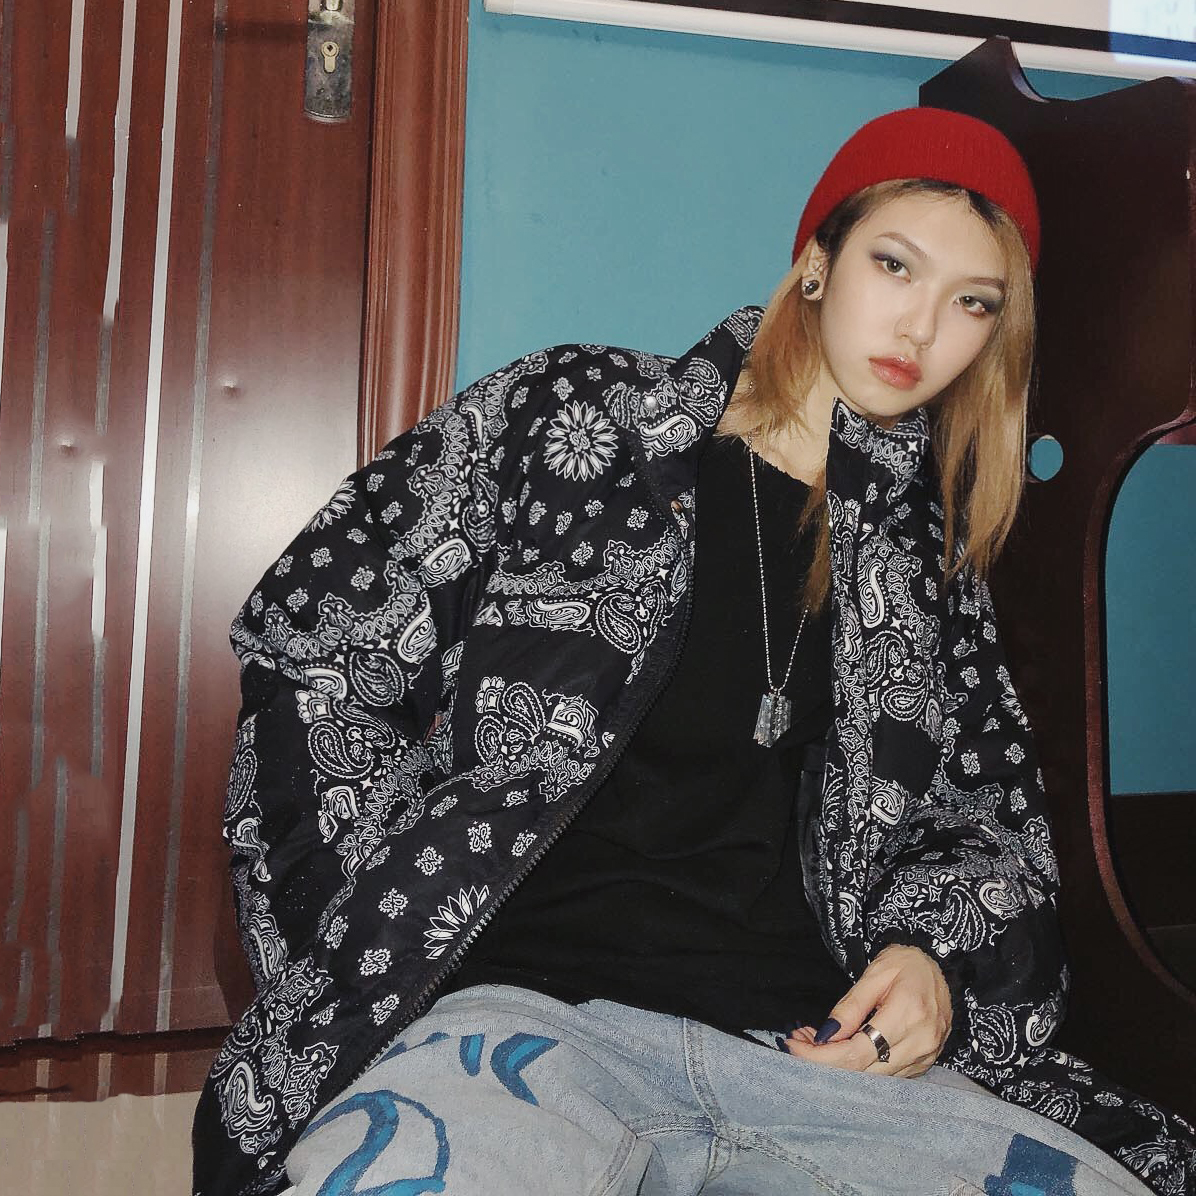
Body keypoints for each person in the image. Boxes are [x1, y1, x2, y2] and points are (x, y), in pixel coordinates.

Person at [192, 108, 1195, 1196]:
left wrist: (933, 963)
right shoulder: (573, 421)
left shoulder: (927, 563)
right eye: (894, 264)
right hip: (524, 1022)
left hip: (809, 1052)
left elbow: (984, 820)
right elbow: (321, 641)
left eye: (972, 302)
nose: (921, 325)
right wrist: (374, 918)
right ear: (816, 262)